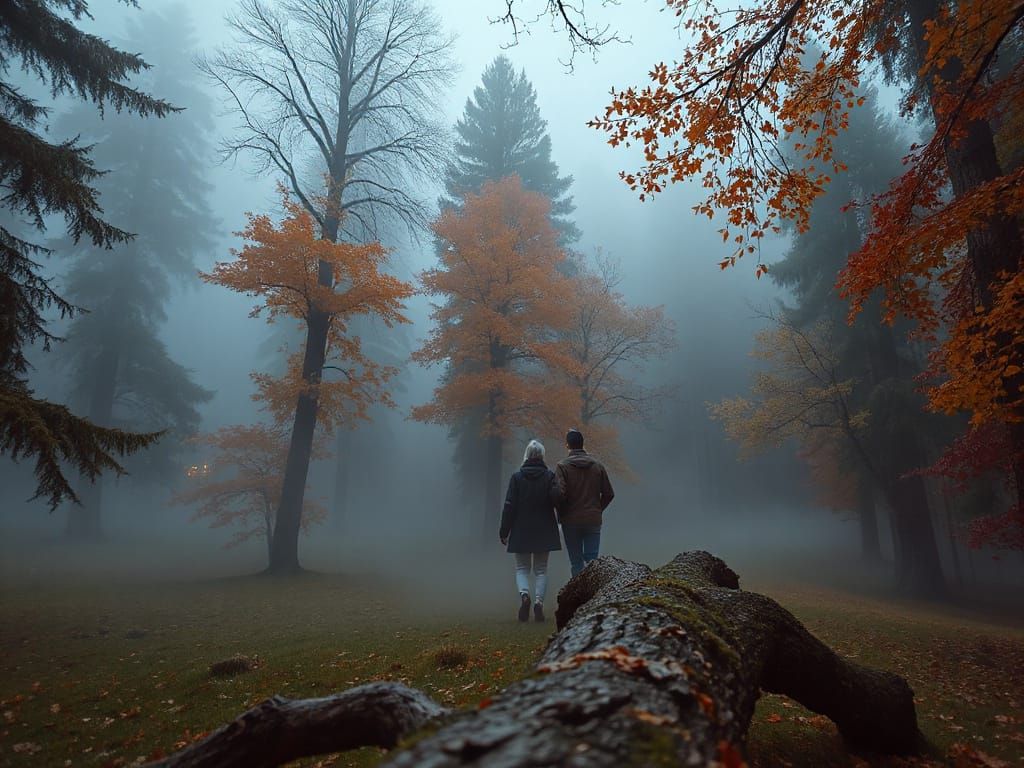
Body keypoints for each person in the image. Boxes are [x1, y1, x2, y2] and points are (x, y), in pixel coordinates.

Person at [499, 439, 562, 622]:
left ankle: (524, 596)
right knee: (541, 570)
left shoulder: (517, 478)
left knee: (522, 569)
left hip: (521, 529)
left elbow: (509, 506)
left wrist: (504, 531)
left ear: (526, 454)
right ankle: (538, 603)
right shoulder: (549, 476)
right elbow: (556, 501)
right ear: (542, 455)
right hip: (544, 528)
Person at [555, 428, 615, 577]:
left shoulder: (562, 467)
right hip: (592, 519)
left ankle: (578, 597)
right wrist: (597, 509)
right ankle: (593, 595)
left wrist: (562, 513)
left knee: (576, 563)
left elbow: (559, 494)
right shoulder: (597, 466)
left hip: (570, 520)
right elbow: (609, 493)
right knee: (592, 561)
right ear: (583, 444)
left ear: (567, 445)